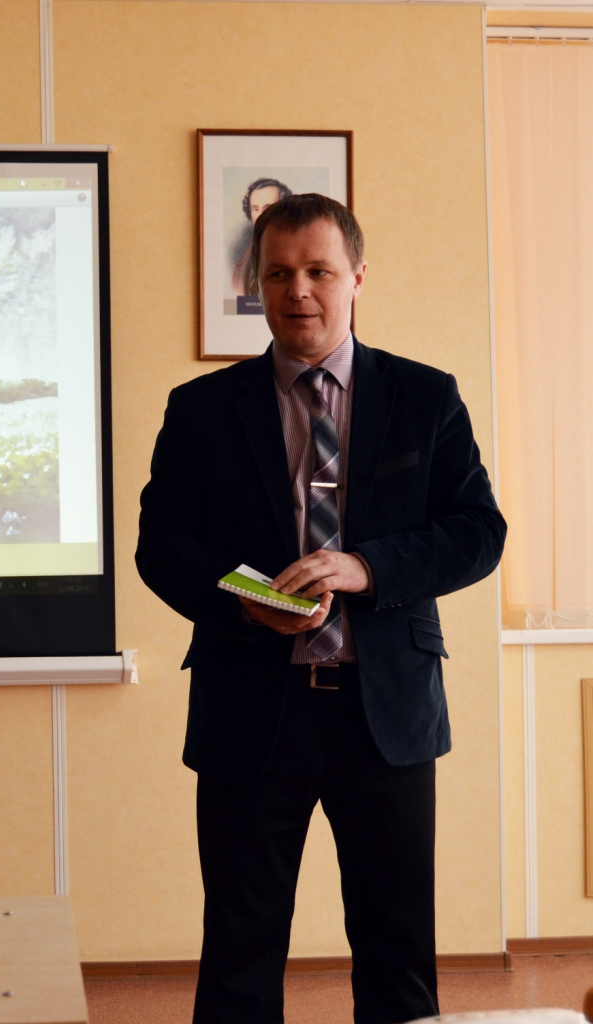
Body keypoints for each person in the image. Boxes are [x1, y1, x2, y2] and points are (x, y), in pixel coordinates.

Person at [136, 194, 506, 1024]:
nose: (297, 290)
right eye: (277, 273)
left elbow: (476, 532)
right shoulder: (200, 409)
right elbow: (163, 549)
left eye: (317, 271)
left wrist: (365, 567)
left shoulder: (424, 396)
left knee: (396, 954)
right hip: (249, 709)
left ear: (357, 277)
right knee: (238, 954)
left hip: (387, 718)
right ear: (254, 283)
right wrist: (247, 604)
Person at [231, 177, 292, 296]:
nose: (260, 215)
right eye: (255, 209)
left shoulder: (295, 249)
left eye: (267, 208)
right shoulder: (245, 257)